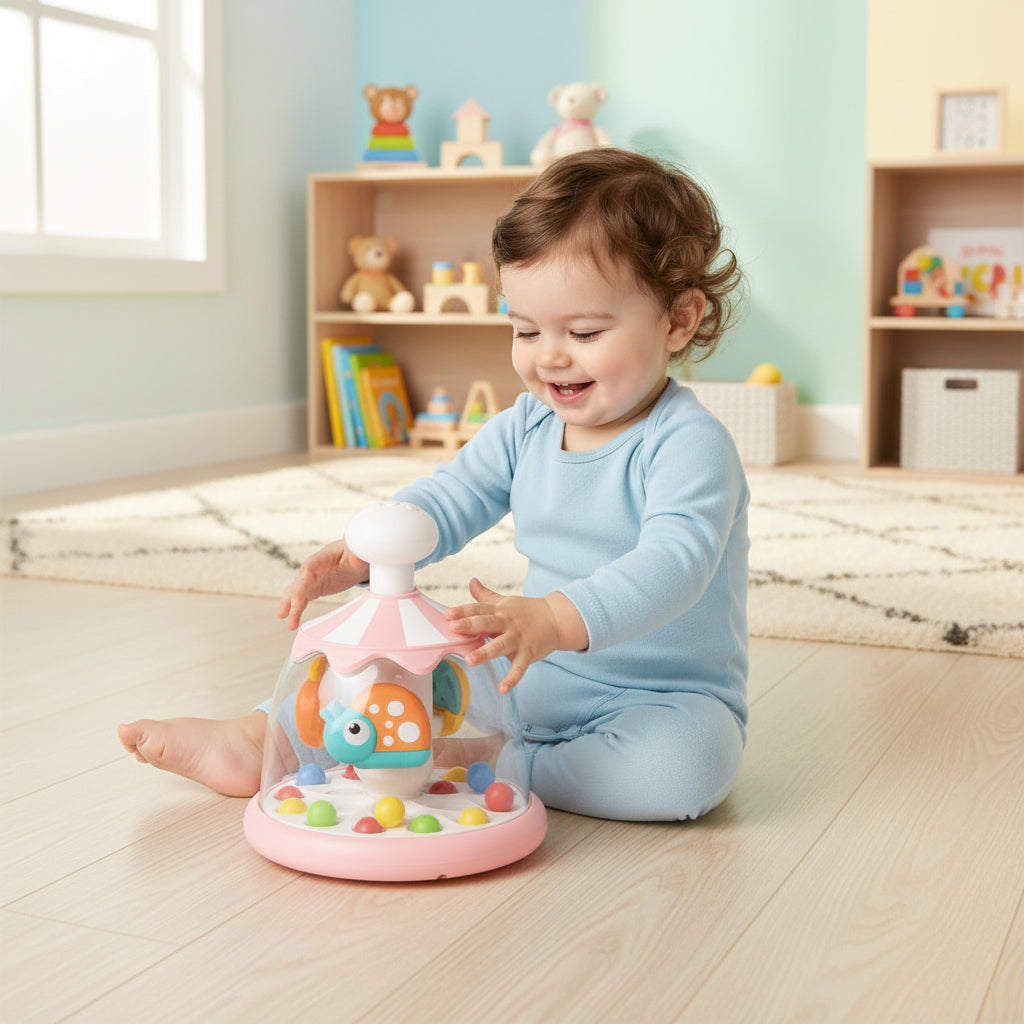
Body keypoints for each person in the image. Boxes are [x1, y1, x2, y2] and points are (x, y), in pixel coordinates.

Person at [119, 147, 749, 821]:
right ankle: (259, 738)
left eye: (585, 331)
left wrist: (555, 618)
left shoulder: (689, 444)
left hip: (660, 701)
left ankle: (487, 760)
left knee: (683, 773)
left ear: (677, 321)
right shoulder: (528, 424)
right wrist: (373, 553)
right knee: (381, 664)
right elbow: (457, 494)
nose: (549, 356)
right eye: (525, 328)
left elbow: (674, 564)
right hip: (525, 671)